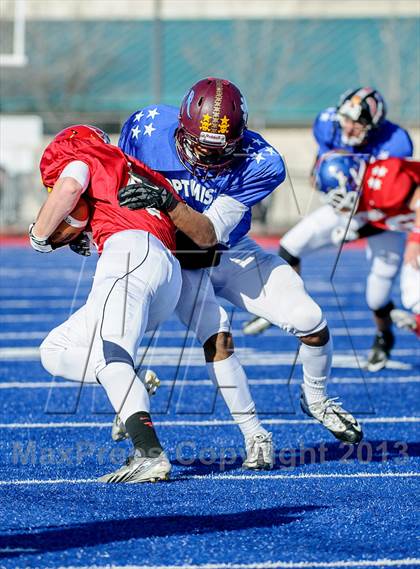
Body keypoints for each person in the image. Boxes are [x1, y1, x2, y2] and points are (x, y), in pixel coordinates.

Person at [118, 77, 363, 453]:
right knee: (214, 334)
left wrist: (167, 202)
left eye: (220, 150)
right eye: (198, 145)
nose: (207, 158)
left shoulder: (260, 162)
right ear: (182, 128)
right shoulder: (146, 129)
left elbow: (207, 233)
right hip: (174, 261)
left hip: (227, 250)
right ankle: (254, 434)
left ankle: (317, 399)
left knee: (310, 320)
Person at [31, 124, 216, 483]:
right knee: (54, 350)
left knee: (114, 356)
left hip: (129, 255)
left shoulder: (86, 155)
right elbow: (203, 236)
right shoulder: (142, 172)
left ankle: (149, 453)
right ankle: (132, 386)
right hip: (163, 271)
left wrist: (39, 236)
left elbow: (70, 186)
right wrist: (89, 234)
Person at [243, 87, 414, 372]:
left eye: (356, 123)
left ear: (374, 125)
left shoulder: (395, 144)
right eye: (346, 119)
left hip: (383, 218)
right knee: (290, 245)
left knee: (377, 295)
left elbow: (394, 204)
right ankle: (287, 307)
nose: (347, 127)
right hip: (344, 206)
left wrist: (358, 231)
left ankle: (383, 337)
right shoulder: (328, 124)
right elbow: (320, 165)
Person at [315, 152, 420, 339]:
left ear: (352, 178)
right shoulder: (368, 193)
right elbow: (388, 219)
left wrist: (414, 243)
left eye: (339, 195)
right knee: (413, 293)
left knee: (413, 279)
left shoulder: (383, 184)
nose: (339, 203)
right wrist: (358, 233)